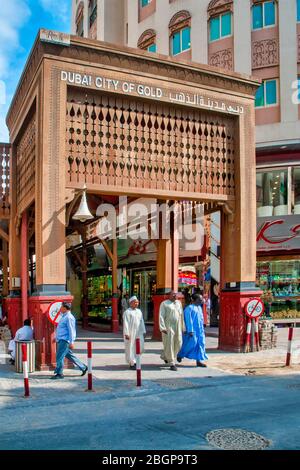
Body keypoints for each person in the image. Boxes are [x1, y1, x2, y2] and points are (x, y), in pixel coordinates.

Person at [52, 301, 88, 379]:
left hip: (65, 340)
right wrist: (57, 337)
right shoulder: (64, 316)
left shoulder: (69, 317)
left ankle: (59, 373)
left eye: (61, 307)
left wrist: (72, 342)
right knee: (69, 355)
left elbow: (71, 330)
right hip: (62, 339)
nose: (60, 309)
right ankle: (83, 367)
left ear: (65, 308)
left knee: (59, 357)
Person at [177, 293, 208, 367]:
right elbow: (188, 320)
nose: (201, 301)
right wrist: (190, 330)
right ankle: (180, 355)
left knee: (200, 344)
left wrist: (203, 328)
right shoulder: (189, 308)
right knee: (190, 344)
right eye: (199, 300)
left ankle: (199, 360)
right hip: (192, 331)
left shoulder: (199, 308)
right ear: (194, 300)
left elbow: (201, 319)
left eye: (201, 300)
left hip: (199, 331)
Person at [159, 290, 184, 371]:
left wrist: (183, 327)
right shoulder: (164, 304)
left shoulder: (179, 303)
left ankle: (165, 356)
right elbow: (161, 316)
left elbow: (181, 315)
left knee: (179, 343)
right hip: (168, 326)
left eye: (175, 294)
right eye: (173, 294)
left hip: (177, 326)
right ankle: (172, 362)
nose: (174, 296)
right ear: (169, 295)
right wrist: (162, 328)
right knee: (169, 344)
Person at [123, 296, 146, 369]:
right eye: (135, 302)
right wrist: (126, 334)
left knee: (140, 347)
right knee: (131, 348)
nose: (137, 303)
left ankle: (136, 360)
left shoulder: (139, 311)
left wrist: (144, 331)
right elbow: (125, 323)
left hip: (139, 333)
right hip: (131, 333)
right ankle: (132, 363)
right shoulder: (127, 312)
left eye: (137, 302)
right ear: (131, 303)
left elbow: (141, 321)